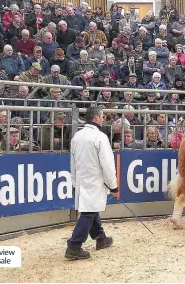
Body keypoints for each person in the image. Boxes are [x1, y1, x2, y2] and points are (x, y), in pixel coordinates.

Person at [65, 106, 119, 260]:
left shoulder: (77, 136)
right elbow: (107, 165)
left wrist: (74, 181)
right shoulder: (100, 137)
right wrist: (113, 186)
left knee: (91, 208)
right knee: (88, 212)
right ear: (96, 118)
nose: (103, 119)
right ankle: (74, 245)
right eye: (102, 116)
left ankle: (100, 238)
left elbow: (73, 162)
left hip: (82, 180)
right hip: (95, 180)